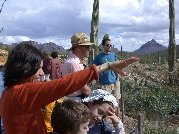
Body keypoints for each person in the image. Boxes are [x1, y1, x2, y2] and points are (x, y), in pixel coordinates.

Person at [0, 41, 139, 134]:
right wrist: (107, 66)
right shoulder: (21, 93)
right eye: (39, 69)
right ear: (25, 68)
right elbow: (64, 84)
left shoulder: (10, 92)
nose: (42, 73)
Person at [61, 33, 92, 101]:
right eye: (87, 47)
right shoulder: (74, 63)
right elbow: (83, 87)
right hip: (77, 99)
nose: (89, 49)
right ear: (78, 48)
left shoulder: (73, 61)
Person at [93, 34, 121, 99]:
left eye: (111, 45)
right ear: (103, 46)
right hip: (104, 85)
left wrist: (117, 79)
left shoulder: (114, 55)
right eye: (107, 45)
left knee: (116, 103)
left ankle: (118, 110)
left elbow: (117, 67)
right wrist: (97, 82)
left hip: (115, 83)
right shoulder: (99, 57)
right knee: (107, 105)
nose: (109, 46)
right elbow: (94, 70)